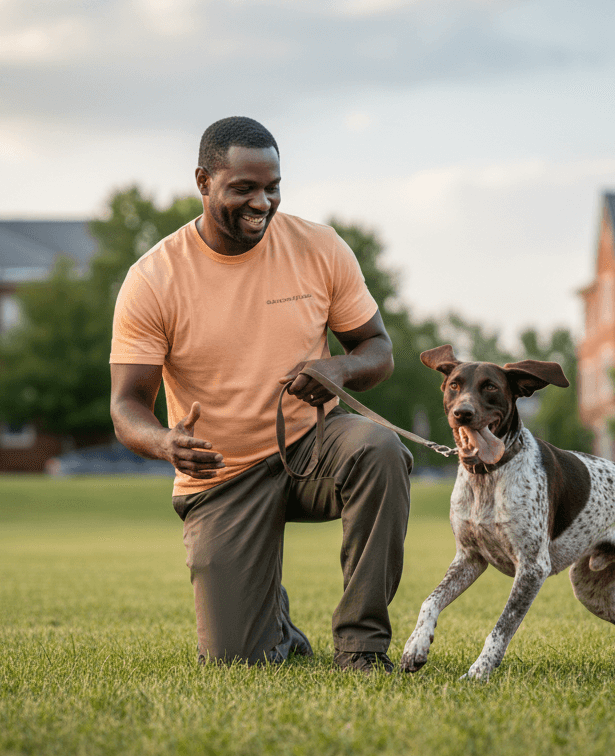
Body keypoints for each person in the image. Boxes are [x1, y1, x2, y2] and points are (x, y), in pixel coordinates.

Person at [109, 116, 412, 673]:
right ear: (203, 182)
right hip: (220, 472)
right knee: (234, 660)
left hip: (311, 445)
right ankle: (275, 623)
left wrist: (338, 370)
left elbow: (378, 349)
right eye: (243, 188)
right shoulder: (153, 278)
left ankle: (362, 647)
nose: (262, 202)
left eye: (272, 187)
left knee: (380, 448)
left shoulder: (319, 246)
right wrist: (163, 443)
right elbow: (127, 405)